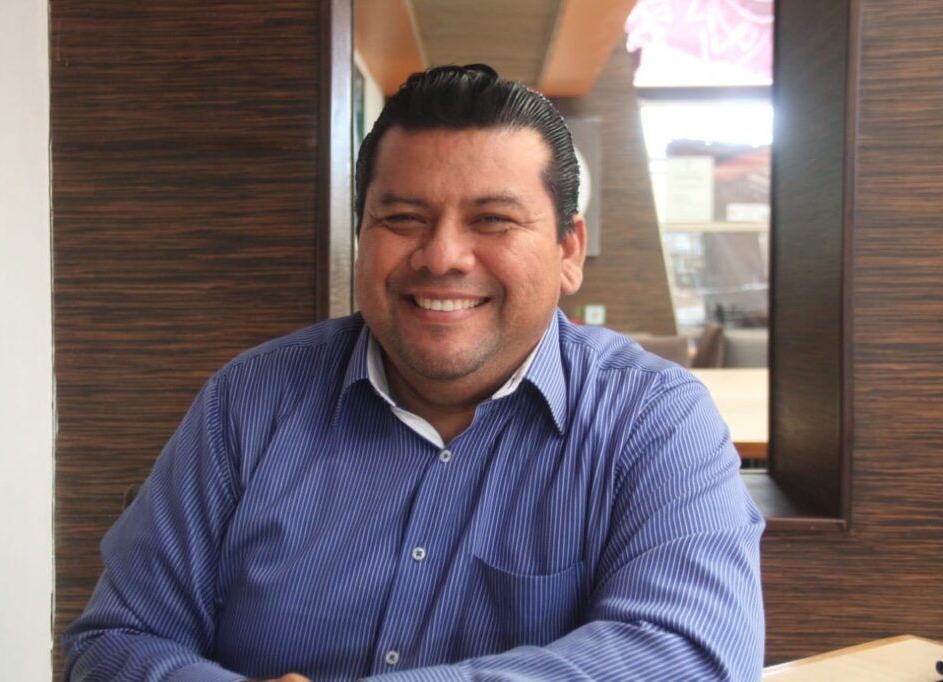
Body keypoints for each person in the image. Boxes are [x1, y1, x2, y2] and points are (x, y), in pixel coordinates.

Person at [64, 64, 764, 681]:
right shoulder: (249, 401)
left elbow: (692, 657)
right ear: (362, 236)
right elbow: (115, 644)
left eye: (493, 219)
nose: (442, 256)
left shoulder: (653, 419)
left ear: (568, 251)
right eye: (403, 218)